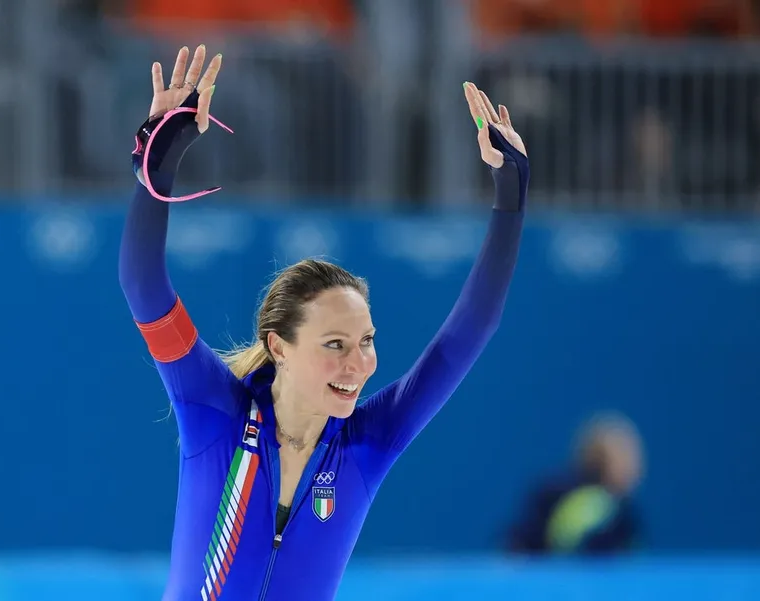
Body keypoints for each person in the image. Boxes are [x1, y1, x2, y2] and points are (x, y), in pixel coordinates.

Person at [118, 44, 529, 601]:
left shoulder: (371, 442)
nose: (358, 364)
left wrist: (511, 197)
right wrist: (156, 164)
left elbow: (470, 331)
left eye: (366, 342)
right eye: (335, 344)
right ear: (279, 347)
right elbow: (143, 286)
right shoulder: (213, 410)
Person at [506, 412, 645, 555]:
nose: (633, 466)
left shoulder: (626, 514)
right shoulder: (553, 494)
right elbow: (518, 544)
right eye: (623, 456)